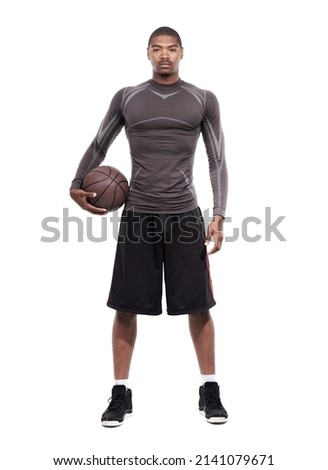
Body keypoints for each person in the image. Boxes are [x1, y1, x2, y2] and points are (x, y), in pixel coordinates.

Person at [70, 26, 228, 426]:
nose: (164, 56)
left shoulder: (202, 99)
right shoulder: (127, 97)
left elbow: (217, 159)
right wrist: (76, 182)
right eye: (157, 49)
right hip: (138, 216)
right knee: (126, 307)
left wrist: (218, 215)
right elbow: (99, 142)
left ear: (181, 53)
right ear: (147, 53)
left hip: (185, 218)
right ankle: (120, 393)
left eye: (171, 49)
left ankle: (209, 389)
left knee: (198, 306)